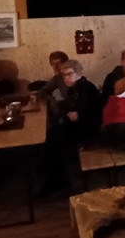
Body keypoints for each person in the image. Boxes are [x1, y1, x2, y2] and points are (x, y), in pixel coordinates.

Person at [39, 60, 102, 195]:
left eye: (69, 74)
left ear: (78, 73)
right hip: (80, 126)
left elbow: (77, 115)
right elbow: (71, 110)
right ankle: (57, 179)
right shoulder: (75, 88)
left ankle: (57, 181)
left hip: (89, 129)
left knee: (54, 138)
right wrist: (66, 113)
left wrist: (66, 113)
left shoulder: (85, 88)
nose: (66, 78)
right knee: (51, 136)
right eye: (64, 75)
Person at [38, 51, 69, 125]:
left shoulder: (73, 75)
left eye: (58, 63)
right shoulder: (58, 78)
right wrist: (51, 99)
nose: (56, 68)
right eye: (53, 65)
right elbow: (42, 91)